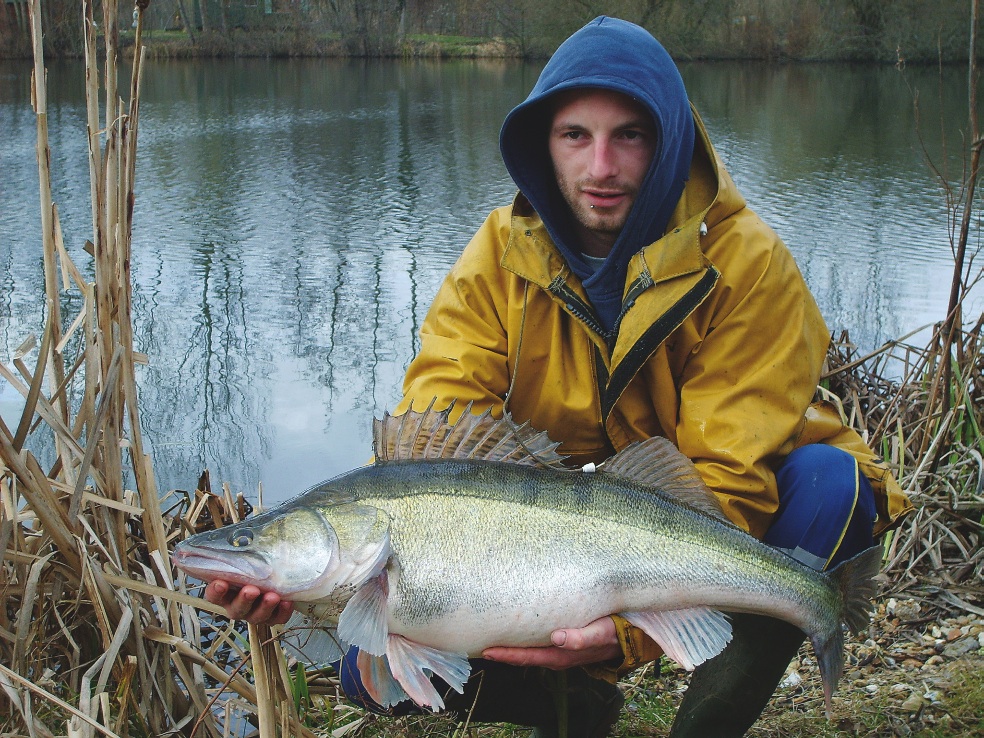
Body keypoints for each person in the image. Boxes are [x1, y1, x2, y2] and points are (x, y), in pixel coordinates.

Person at [205, 16, 911, 737]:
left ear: (669, 140)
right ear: (543, 144)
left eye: (629, 135)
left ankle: (709, 722)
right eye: (575, 134)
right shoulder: (496, 256)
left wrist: (627, 633)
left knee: (830, 484)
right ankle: (577, 709)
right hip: (564, 529)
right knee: (370, 668)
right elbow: (436, 432)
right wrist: (315, 594)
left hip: (697, 512)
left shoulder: (750, 264)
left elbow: (727, 481)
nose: (601, 166)